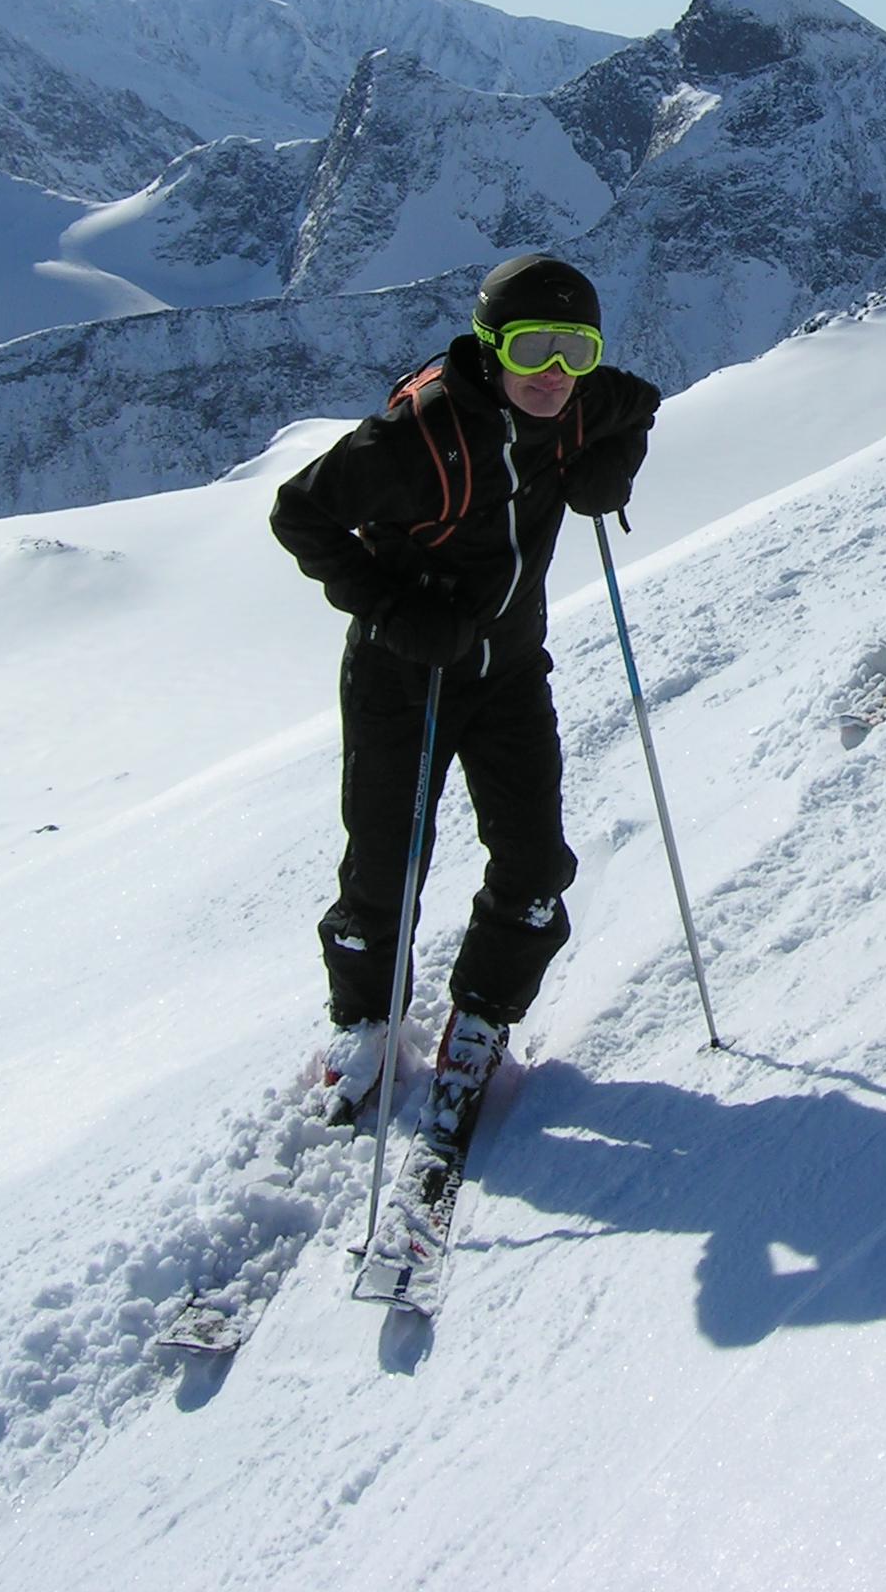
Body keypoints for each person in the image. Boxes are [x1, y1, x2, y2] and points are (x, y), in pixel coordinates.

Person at [268, 251, 660, 1150]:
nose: (556, 374)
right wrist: (400, 610)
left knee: (533, 863)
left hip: (510, 671)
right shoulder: (418, 440)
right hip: (402, 677)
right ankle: (367, 1020)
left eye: (576, 349)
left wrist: (612, 469)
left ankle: (483, 1011)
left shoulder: (579, 403)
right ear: (491, 345)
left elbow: (637, 406)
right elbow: (302, 514)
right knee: (385, 865)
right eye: (533, 349)